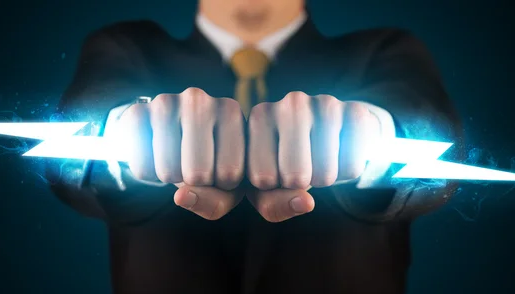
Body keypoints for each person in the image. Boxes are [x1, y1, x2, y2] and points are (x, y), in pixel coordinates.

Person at [46, 0, 463, 293]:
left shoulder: (383, 50)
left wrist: (369, 135)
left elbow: (436, 147)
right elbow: (76, 137)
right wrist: (130, 132)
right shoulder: (126, 47)